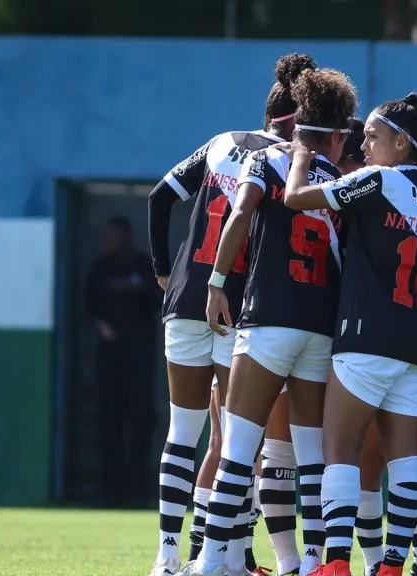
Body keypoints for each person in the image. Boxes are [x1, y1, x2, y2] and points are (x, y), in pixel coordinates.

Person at [146, 52, 316, 576]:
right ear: (298, 121)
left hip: (184, 296)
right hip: (233, 305)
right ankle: (225, 555)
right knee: (234, 441)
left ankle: (168, 555)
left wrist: (162, 271)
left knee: (182, 433)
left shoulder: (221, 142)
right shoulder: (285, 161)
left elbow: (159, 197)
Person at [183, 66, 357, 576]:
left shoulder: (267, 158)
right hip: (319, 328)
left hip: (269, 321)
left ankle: (213, 561)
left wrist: (216, 283)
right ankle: (310, 563)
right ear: (335, 133)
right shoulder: (336, 180)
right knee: (311, 457)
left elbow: (239, 215)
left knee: (237, 446)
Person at [281, 92, 417, 576]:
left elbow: (295, 199)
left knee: (340, 452)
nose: (365, 144)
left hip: (368, 338)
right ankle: (393, 565)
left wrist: (300, 158)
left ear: (402, 142)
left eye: (373, 137)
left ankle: (335, 564)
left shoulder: (378, 178)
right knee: (404, 458)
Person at [85, 215, 160, 509]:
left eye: (114, 236)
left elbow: (158, 299)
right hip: (109, 360)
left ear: (127, 236)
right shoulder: (100, 270)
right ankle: (110, 490)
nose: (109, 242)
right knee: (109, 423)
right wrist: (102, 326)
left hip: (139, 359)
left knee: (141, 422)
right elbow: (88, 306)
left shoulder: (143, 266)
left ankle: (137, 490)